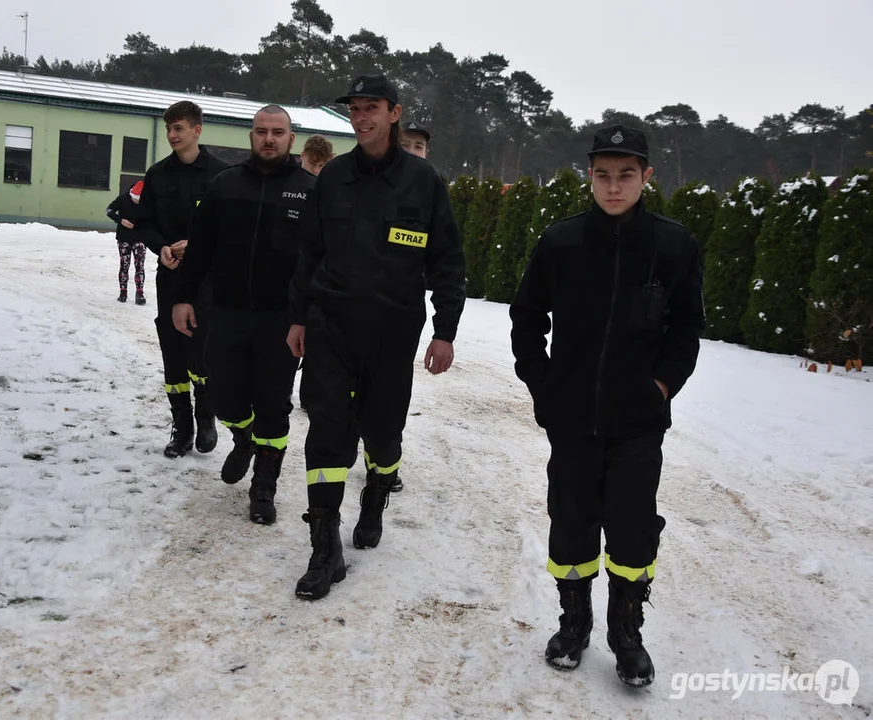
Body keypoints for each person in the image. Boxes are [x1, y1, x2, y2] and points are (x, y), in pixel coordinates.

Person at [511, 124, 704, 688]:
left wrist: (663, 386)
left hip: (638, 420)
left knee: (632, 525)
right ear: (589, 176)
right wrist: (541, 384)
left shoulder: (672, 244)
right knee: (570, 519)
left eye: (625, 175)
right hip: (571, 417)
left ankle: (626, 632)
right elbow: (527, 316)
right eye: (602, 175)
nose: (613, 186)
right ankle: (574, 624)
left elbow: (687, 324)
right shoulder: (562, 241)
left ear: (646, 177)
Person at [287, 75, 466, 601]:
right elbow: (309, 255)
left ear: (394, 113)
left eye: (372, 108)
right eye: (356, 109)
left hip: (392, 332)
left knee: (383, 432)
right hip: (331, 326)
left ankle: (376, 494)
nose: (362, 117)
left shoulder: (424, 181)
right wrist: (298, 317)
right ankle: (325, 547)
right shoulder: (334, 178)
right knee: (325, 428)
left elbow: (447, 261)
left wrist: (445, 331)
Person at [172, 106, 315, 525]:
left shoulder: (309, 191)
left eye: (278, 132)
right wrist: (183, 298)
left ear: (292, 139)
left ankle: (264, 488)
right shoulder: (225, 185)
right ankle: (243, 437)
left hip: (281, 321)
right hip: (228, 312)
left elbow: (317, 261)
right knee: (224, 396)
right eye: (261, 132)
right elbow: (199, 248)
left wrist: (306, 317)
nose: (269, 139)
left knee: (274, 404)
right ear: (250, 137)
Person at [139, 101, 231, 458]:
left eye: (179, 128)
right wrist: (160, 245)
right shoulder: (158, 175)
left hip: (208, 280)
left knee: (202, 349)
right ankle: (182, 428)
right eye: (168, 129)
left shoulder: (222, 176)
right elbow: (143, 221)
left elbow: (232, 230)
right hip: (170, 277)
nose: (172, 135)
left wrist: (197, 245)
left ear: (197, 130)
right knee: (173, 352)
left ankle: (206, 416)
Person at [295, 134, 335, 416]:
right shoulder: (291, 186)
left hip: (317, 274)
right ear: (302, 157)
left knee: (316, 336)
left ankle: (309, 394)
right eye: (313, 165)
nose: (317, 171)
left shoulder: (331, 192)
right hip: (292, 269)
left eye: (322, 166)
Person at [105, 180, 149, 305]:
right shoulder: (123, 199)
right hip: (123, 238)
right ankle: (123, 292)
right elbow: (109, 210)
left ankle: (139, 293)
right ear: (132, 195)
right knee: (125, 264)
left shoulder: (147, 202)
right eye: (136, 199)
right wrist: (121, 220)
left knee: (139, 265)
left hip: (140, 238)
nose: (138, 202)